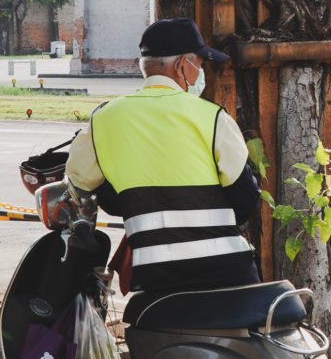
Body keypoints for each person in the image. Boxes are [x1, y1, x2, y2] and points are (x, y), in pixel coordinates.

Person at [66, 17, 261, 294]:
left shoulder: (104, 119)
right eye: (200, 66)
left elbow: (82, 185)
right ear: (183, 65)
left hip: (155, 281)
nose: (200, 75)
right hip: (229, 276)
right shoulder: (212, 118)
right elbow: (246, 201)